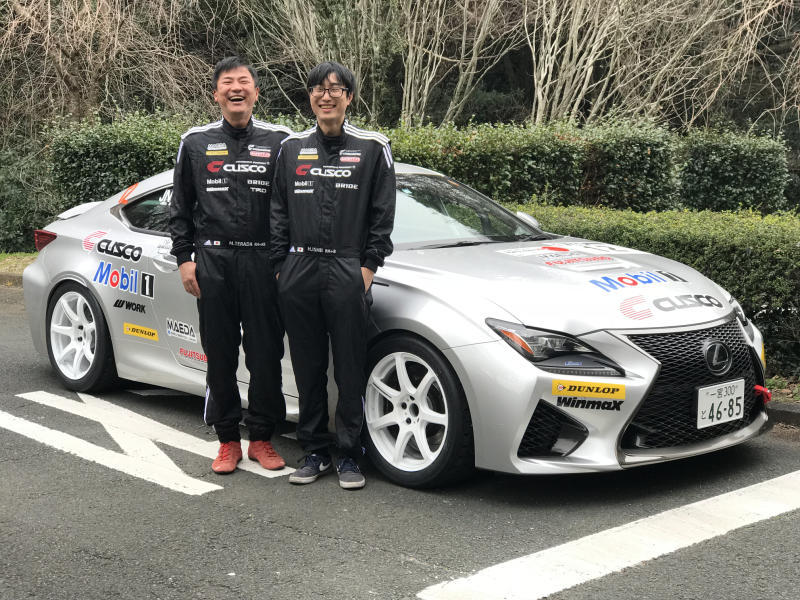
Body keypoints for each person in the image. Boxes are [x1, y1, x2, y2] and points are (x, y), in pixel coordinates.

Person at [270, 61, 396, 490]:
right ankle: (314, 451)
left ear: (349, 97)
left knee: (349, 368)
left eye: (335, 89)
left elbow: (382, 214)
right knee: (308, 368)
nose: (326, 96)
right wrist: (280, 267)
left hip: (346, 267)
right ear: (310, 97)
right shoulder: (291, 148)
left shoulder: (373, 147)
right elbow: (277, 211)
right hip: (299, 269)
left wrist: (367, 267)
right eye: (318, 90)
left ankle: (349, 454)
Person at [169, 56, 291, 474]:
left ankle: (261, 439)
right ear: (216, 94)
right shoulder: (195, 142)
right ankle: (226, 441)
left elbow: (292, 207)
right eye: (227, 82)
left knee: (266, 355)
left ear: (256, 92)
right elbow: (180, 207)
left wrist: (284, 261)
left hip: (263, 262)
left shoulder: (280, 141)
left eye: (243, 82)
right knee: (219, 354)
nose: (236, 88)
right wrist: (185, 259)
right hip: (214, 262)